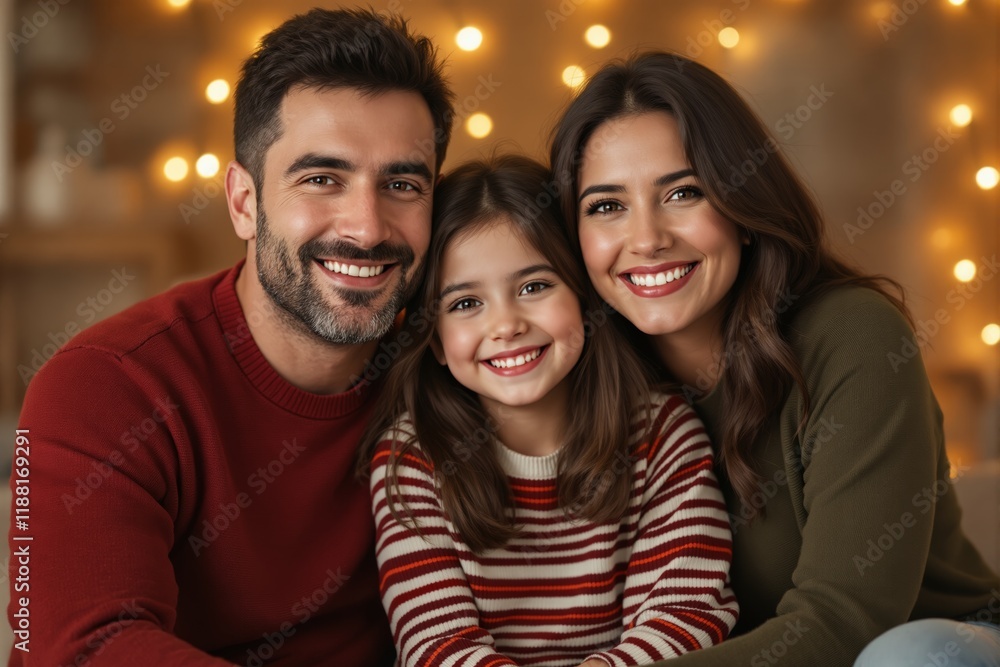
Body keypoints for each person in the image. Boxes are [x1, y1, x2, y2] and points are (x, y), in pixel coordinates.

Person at [8, 8, 453, 666]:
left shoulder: (460, 364)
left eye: (402, 184)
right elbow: (84, 647)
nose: (366, 226)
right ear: (244, 202)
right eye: (321, 179)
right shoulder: (104, 384)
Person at [549, 51, 1000, 666]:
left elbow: (843, 623)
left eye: (684, 193)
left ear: (743, 208)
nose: (647, 239)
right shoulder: (576, 373)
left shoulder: (851, 334)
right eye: (606, 206)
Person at [357, 154, 739, 667]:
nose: (506, 325)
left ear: (582, 295)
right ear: (437, 341)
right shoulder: (413, 459)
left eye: (534, 287)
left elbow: (684, 618)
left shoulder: (662, 434)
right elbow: (437, 648)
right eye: (466, 304)